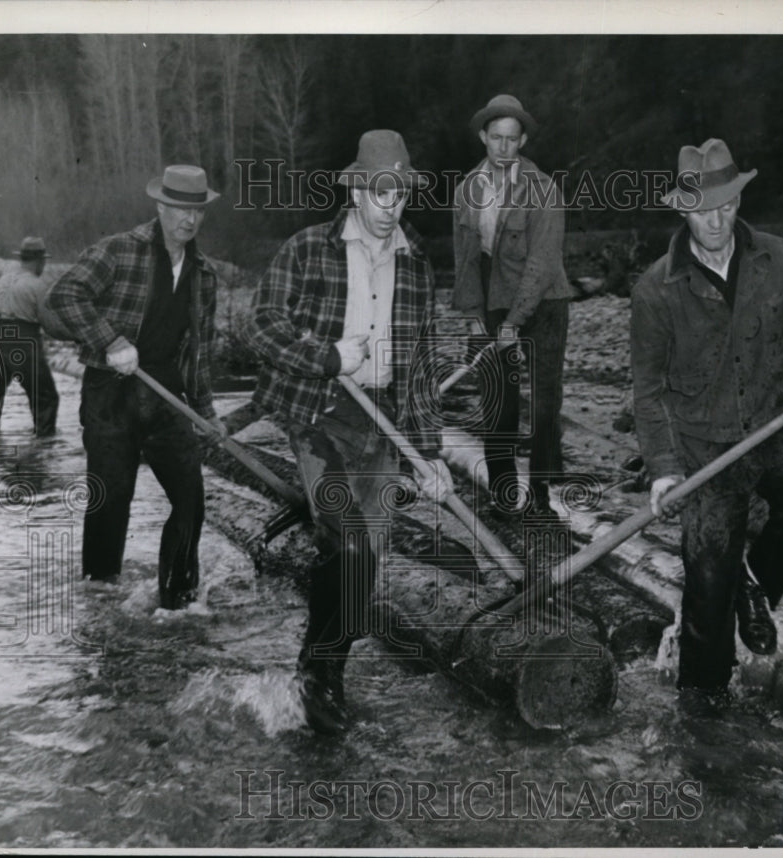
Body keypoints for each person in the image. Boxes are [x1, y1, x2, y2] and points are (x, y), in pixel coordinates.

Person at [630, 139, 783, 709]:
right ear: (683, 208)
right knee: (707, 580)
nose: (716, 219)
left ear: (738, 200)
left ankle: (752, 583)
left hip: (774, 426)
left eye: (727, 204)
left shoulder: (782, 258)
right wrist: (661, 470)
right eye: (704, 208)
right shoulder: (656, 288)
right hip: (703, 446)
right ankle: (704, 710)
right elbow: (648, 388)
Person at [246, 130, 454, 735]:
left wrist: (430, 456)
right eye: (380, 190)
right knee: (350, 544)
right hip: (319, 416)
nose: (391, 204)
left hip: (383, 423)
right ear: (357, 187)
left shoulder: (416, 265)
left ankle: (315, 672)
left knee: (364, 564)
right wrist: (326, 355)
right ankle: (323, 683)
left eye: (402, 192)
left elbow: (420, 365)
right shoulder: (309, 249)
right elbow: (261, 324)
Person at [47, 164, 227, 610]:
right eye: (181, 209)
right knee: (112, 499)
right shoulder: (118, 250)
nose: (190, 219)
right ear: (161, 206)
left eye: (198, 211)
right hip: (110, 393)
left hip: (166, 396)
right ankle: (100, 599)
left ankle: (178, 603)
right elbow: (64, 296)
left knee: (190, 501)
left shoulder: (204, 274)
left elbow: (196, 354)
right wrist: (109, 341)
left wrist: (205, 412)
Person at [452, 94, 573, 519]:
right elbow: (466, 257)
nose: (503, 147)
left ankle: (541, 497)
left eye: (512, 139)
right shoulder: (468, 188)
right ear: (484, 136)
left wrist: (515, 322)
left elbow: (541, 265)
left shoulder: (544, 190)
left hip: (546, 303)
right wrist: (473, 316)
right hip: (495, 301)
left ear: (521, 141)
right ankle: (503, 492)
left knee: (543, 403)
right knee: (497, 399)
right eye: (496, 137)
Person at [0, 236, 60, 436]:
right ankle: (44, 445)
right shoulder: (37, 285)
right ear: (40, 260)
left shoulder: (5, 279)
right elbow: (49, 324)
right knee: (45, 396)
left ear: (22, 258)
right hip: (24, 339)